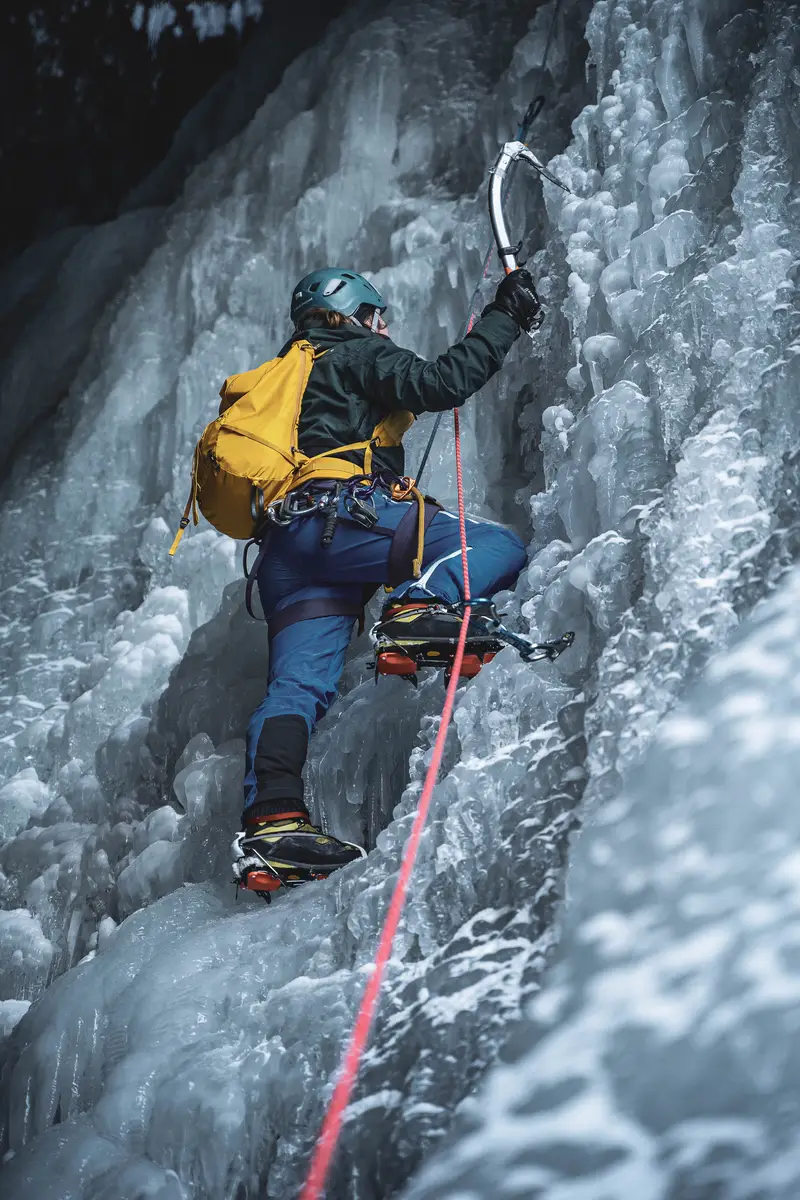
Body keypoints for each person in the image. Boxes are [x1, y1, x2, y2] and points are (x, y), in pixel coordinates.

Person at [231, 266, 544, 894]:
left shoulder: (285, 379)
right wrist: (506, 313)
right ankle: (418, 608)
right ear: (358, 316)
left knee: (295, 688)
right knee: (495, 544)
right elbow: (441, 383)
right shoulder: (352, 353)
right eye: (381, 317)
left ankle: (273, 823)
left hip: (287, 554)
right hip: (342, 519)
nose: (387, 328)